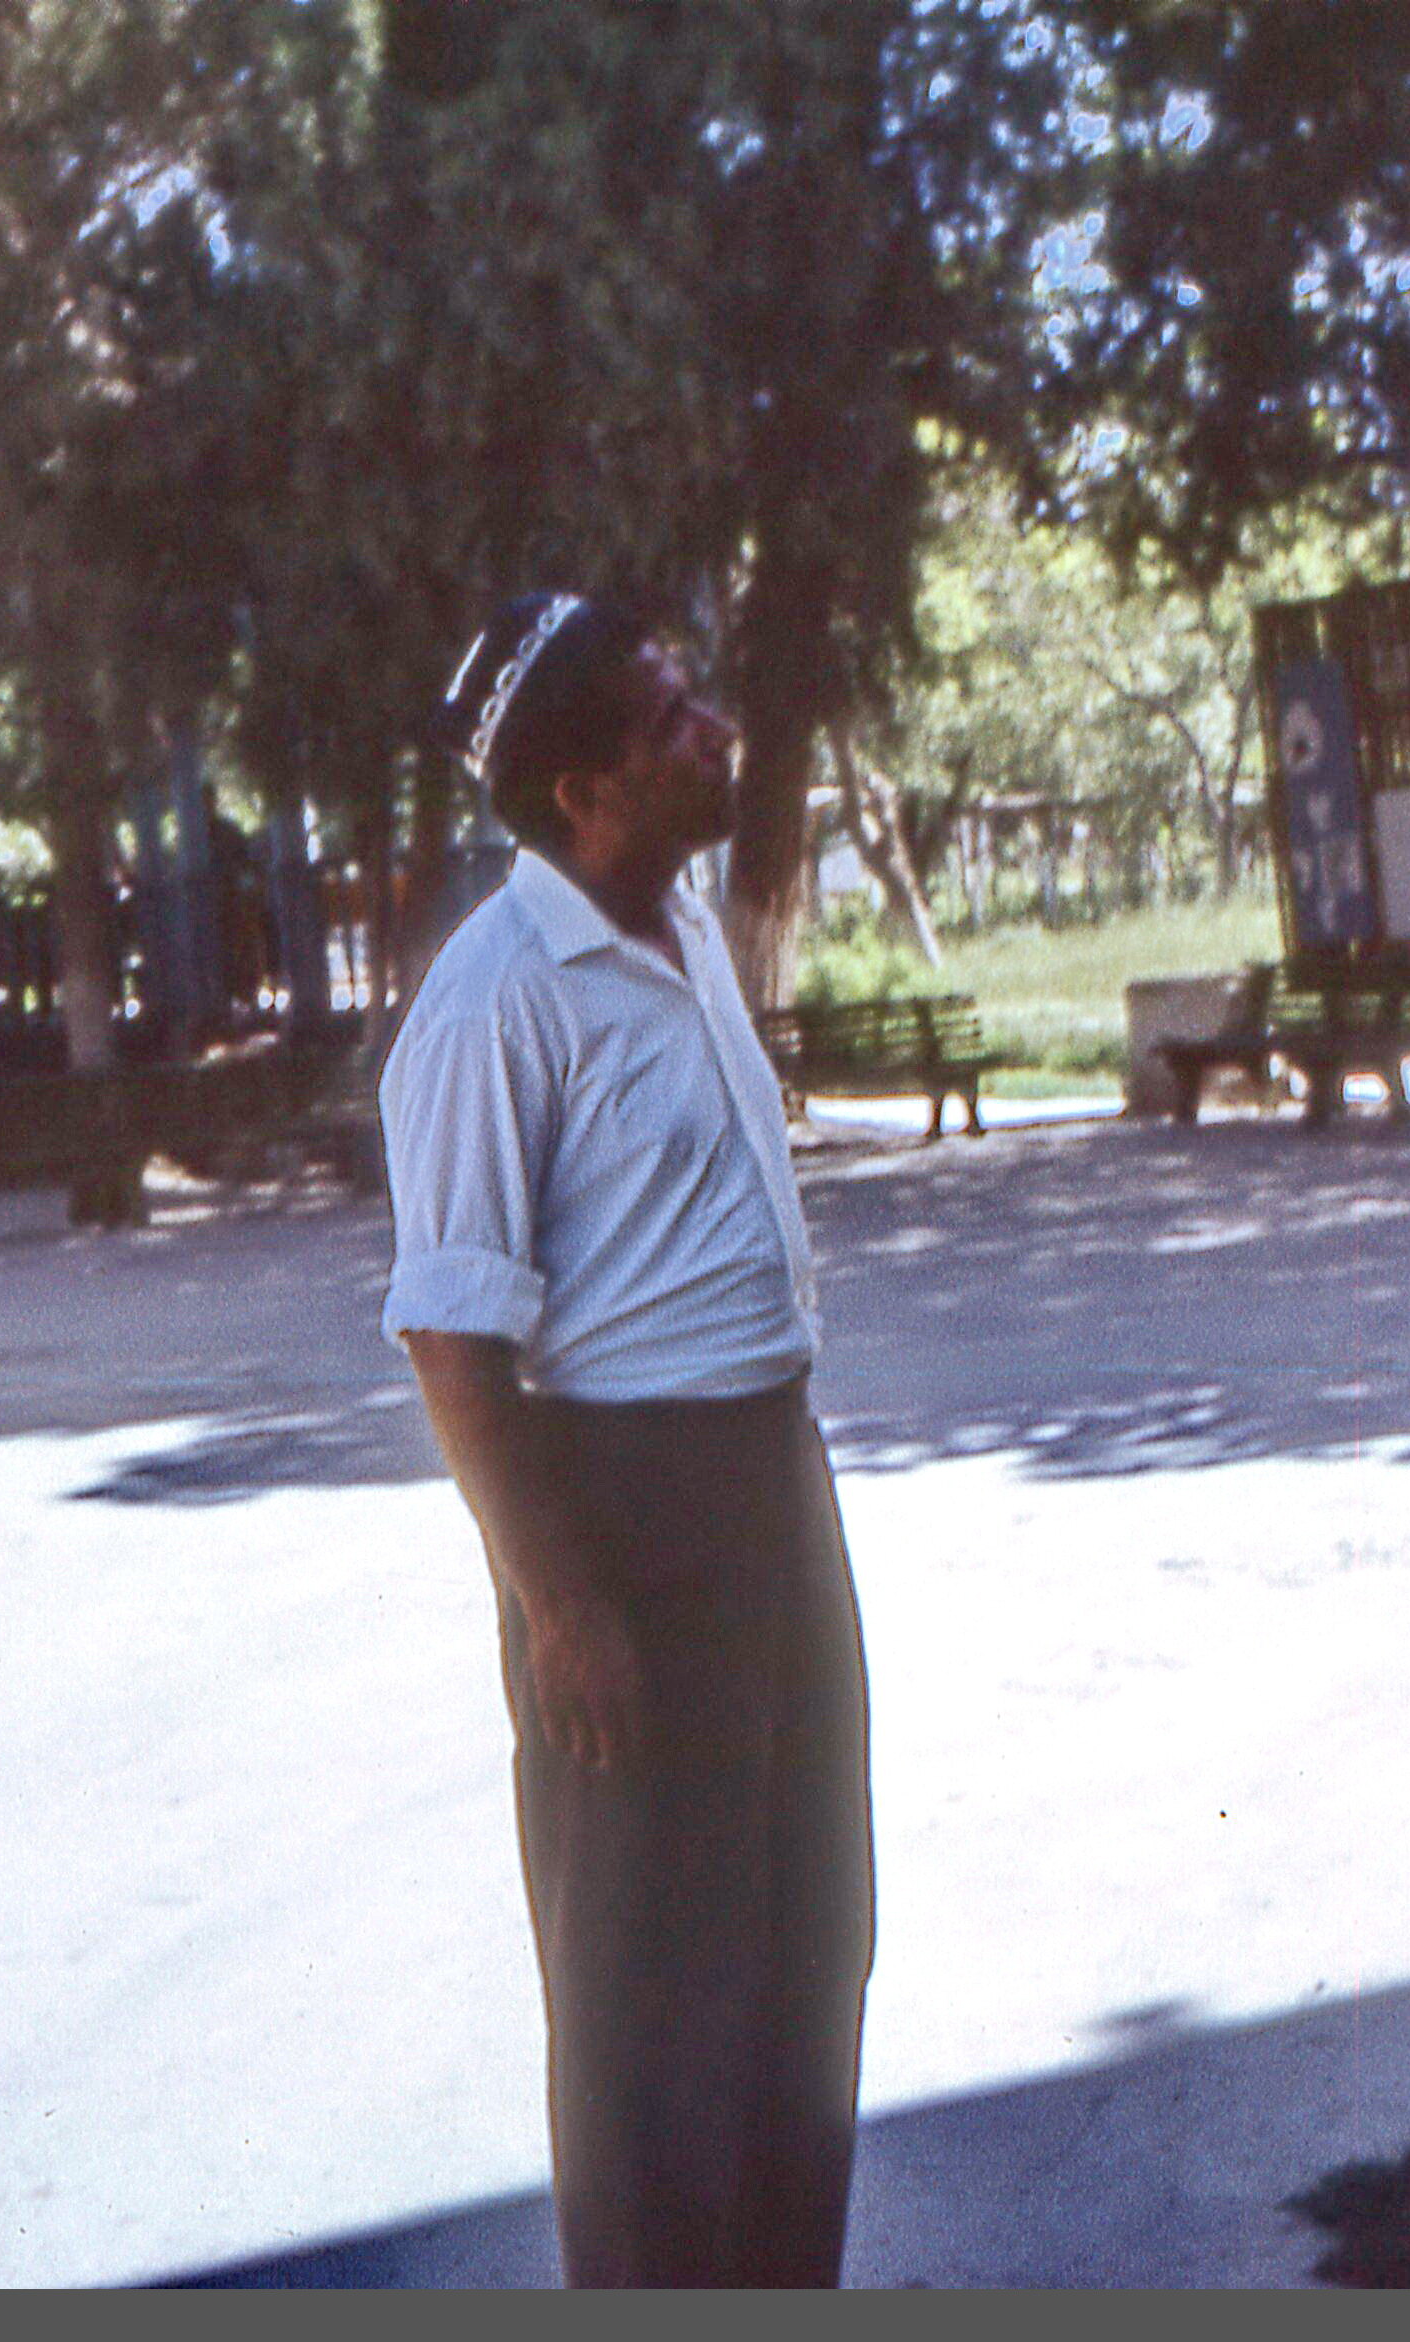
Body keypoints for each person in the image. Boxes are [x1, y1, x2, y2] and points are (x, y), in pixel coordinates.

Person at [379, 592, 873, 2287]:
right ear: (583, 791)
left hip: (772, 1479)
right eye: (671, 721)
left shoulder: (685, 929)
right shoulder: (493, 1001)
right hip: (627, 1521)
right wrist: (562, 1604)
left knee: (808, 1944)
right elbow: (452, 1337)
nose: (716, 731)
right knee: (652, 2004)